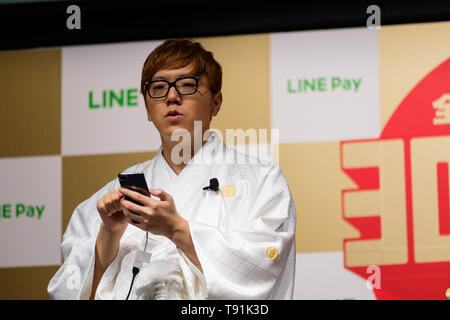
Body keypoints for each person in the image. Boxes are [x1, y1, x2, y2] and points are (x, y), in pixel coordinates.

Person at [48, 39, 297, 300]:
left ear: (216, 103)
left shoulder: (261, 181)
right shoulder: (112, 199)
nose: (171, 96)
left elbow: (263, 269)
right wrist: (108, 236)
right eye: (158, 87)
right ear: (147, 108)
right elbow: (70, 293)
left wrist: (177, 229)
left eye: (187, 85)